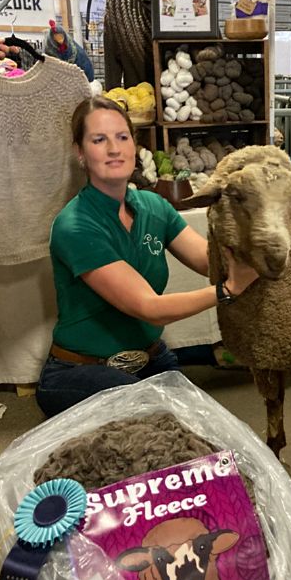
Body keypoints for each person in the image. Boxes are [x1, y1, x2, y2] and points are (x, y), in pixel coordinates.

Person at [35, 96, 259, 418]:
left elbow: (207, 261)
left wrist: (255, 243)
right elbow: (148, 308)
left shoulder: (155, 207)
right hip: (80, 371)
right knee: (151, 425)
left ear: (134, 145)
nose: (114, 148)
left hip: (151, 359)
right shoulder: (75, 226)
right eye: (99, 140)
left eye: (122, 137)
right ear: (80, 153)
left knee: (200, 422)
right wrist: (226, 291)